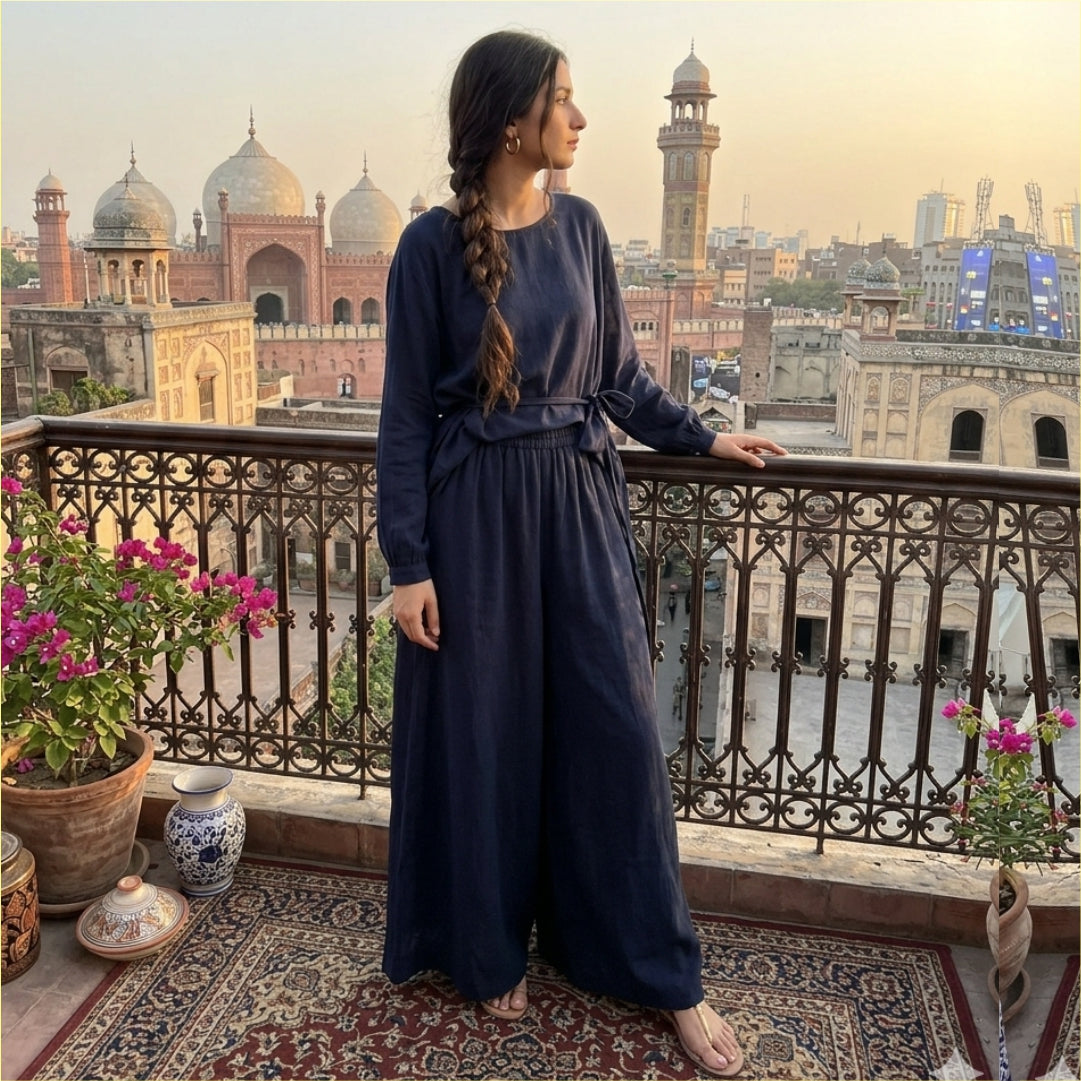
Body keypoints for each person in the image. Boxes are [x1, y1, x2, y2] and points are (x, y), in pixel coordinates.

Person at [375, 29, 786, 1078]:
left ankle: (664, 969)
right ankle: (485, 943)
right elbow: (404, 422)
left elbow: (619, 382)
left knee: (614, 729)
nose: (581, 118)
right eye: (565, 99)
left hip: (579, 507)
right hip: (473, 526)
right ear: (516, 119)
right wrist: (407, 563)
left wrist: (702, 434)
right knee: (489, 734)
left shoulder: (585, 228)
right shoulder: (428, 246)